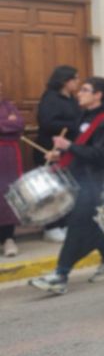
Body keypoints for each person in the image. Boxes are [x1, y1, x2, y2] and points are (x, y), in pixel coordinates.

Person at [29, 77, 104, 295]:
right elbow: (82, 149)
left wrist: (69, 146)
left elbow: (101, 156)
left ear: (98, 95)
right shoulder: (85, 117)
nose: (79, 93)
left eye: (85, 90)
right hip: (79, 179)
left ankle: (60, 275)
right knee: (90, 225)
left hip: (95, 183)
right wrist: (60, 154)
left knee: (77, 227)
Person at [35, 65, 82, 243]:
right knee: (53, 190)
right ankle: (51, 227)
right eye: (75, 79)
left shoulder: (71, 99)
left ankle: (66, 223)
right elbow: (47, 123)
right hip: (50, 150)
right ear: (65, 81)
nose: (78, 82)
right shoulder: (50, 98)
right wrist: (73, 125)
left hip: (68, 150)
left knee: (67, 188)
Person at [0, 81, 25, 257]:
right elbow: (11, 126)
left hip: (8, 156)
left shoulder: (9, 106)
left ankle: (8, 239)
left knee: (8, 194)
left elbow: (20, 125)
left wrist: (9, 125)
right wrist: (6, 123)